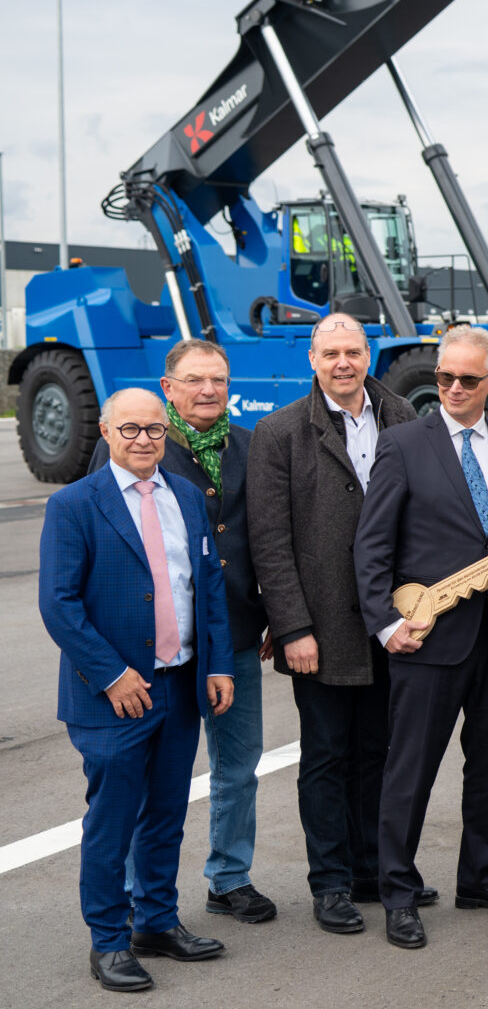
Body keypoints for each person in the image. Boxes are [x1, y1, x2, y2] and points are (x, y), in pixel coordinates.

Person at [43, 388, 235, 992]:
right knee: (113, 823)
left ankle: (156, 921)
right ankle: (109, 941)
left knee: (166, 816)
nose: (144, 440)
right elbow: (59, 604)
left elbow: (207, 586)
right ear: (106, 432)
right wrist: (111, 674)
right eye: (130, 429)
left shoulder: (185, 496)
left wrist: (217, 665)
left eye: (154, 429)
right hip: (113, 696)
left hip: (180, 685)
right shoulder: (74, 504)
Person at [355, 324, 488, 949]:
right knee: (410, 770)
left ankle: (482, 877)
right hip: (425, 639)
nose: (453, 388)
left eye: (467, 378)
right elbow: (372, 543)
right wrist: (385, 624)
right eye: (444, 377)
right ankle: (398, 893)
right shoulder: (403, 444)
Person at [87, 340, 275, 926]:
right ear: (168, 388)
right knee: (141, 778)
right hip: (147, 649)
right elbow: (99, 542)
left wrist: (280, 615)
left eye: (218, 379)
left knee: (238, 765)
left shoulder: (253, 445)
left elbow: (273, 536)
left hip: (232, 633)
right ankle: (131, 895)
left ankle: (229, 877)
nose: (208, 390)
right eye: (194, 380)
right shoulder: (136, 442)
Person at [251, 314, 420, 935]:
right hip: (320, 628)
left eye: (352, 351)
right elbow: (270, 542)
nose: (343, 363)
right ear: (312, 360)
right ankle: (331, 883)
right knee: (326, 756)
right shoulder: (280, 432)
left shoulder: (404, 416)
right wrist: (292, 627)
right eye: (331, 354)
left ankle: (373, 869)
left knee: (380, 751)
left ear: (368, 354)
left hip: (393, 622)